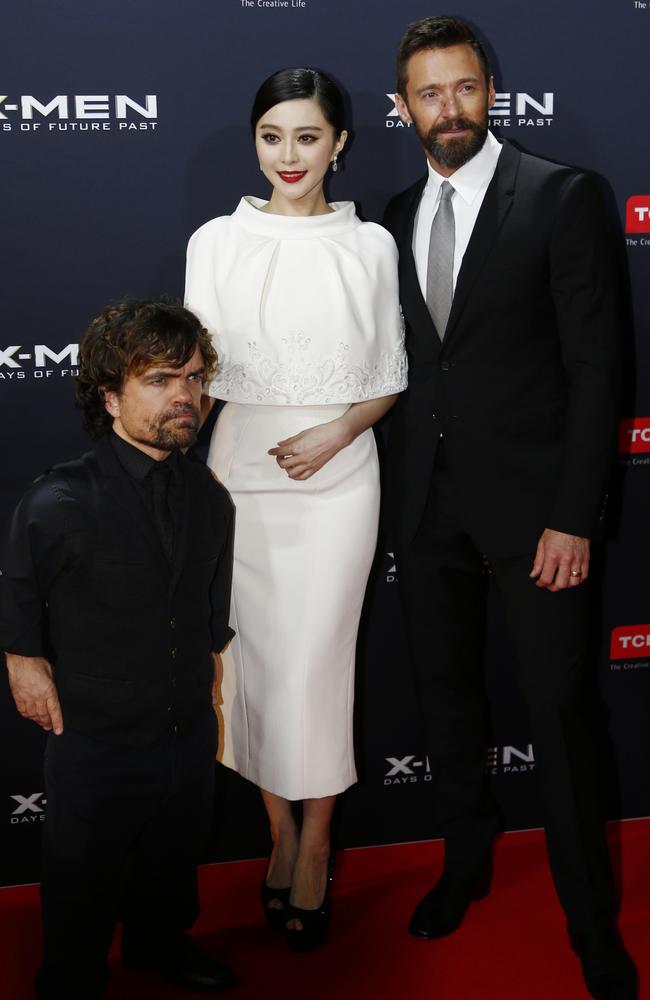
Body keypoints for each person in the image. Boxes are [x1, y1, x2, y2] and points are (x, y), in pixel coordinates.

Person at [382, 16, 636, 1000]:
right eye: (426, 94)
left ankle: (588, 922)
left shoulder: (560, 194)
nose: (446, 109)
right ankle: (463, 860)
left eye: (461, 88)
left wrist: (573, 514)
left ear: (491, 89)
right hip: (426, 512)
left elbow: (594, 367)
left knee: (559, 715)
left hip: (538, 520)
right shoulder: (392, 211)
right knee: (447, 703)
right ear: (402, 106)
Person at [185, 67, 406, 951]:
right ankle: (281, 834)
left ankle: (317, 840)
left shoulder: (372, 247)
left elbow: (390, 377)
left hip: (341, 476)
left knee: (319, 665)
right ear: (255, 141)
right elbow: (196, 381)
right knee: (256, 672)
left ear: (339, 144)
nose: (289, 155)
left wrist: (335, 434)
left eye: (307, 137)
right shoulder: (215, 241)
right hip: (239, 476)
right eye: (272, 136)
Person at [0, 298, 236, 999]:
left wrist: (205, 667)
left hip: (186, 728)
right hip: (95, 735)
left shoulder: (208, 493)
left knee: (173, 862)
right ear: (110, 396)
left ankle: (159, 948)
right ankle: (69, 977)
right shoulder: (60, 498)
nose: (184, 396)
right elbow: (16, 588)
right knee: (80, 880)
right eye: (161, 379)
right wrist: (20, 660)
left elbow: (209, 601)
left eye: (193, 378)